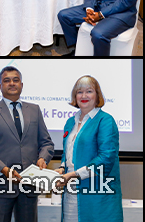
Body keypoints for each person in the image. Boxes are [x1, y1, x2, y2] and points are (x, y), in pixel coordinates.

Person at [0, 66, 54, 222]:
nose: (12, 83)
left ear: (22, 85)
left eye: (15, 80)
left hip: (29, 188)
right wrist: (4, 170)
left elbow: (47, 143)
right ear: (0, 86)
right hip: (0, 186)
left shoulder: (34, 110)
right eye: (7, 80)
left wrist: (43, 158)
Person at [55, 76, 122, 222]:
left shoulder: (105, 120)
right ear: (75, 96)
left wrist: (73, 174)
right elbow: (67, 153)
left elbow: (106, 158)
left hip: (96, 193)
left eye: (89, 91)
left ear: (97, 95)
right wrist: (62, 168)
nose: (84, 96)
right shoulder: (69, 122)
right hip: (70, 193)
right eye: (79, 92)